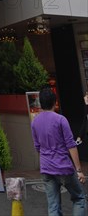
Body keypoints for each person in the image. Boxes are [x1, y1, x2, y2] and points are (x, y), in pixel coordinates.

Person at [31, 87, 86, 216]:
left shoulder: (35, 122)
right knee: (79, 198)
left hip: (46, 168)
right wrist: (78, 170)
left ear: (41, 103)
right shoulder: (61, 120)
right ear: (54, 102)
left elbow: (37, 147)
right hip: (63, 166)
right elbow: (71, 145)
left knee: (53, 205)